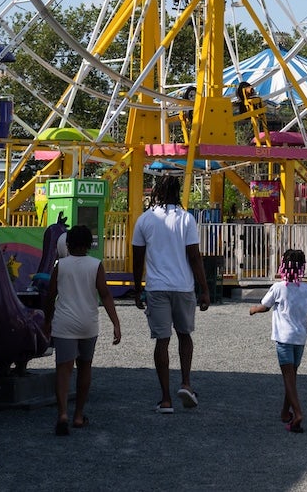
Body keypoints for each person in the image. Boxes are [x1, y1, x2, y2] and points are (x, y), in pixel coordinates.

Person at [131, 173, 210, 413]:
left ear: (156, 192)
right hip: (183, 286)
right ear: (178, 193)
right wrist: (204, 289)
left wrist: (137, 289)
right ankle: (186, 383)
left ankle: (165, 398)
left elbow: (137, 258)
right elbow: (194, 257)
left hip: (156, 287)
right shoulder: (186, 219)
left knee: (161, 341)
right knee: (185, 335)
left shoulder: (144, 220)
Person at [41, 225, 121, 436]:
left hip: (64, 322)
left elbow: (50, 296)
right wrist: (116, 323)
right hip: (88, 322)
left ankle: (63, 414)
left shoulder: (61, 265)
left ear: (67, 244)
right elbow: (105, 295)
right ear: (89, 244)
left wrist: (47, 321)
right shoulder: (96, 265)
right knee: (85, 367)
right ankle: (78, 415)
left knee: (63, 370)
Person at [248, 248, 307, 433]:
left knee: (288, 378)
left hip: (284, 338)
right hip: (300, 338)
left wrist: (253, 309)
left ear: (283, 266)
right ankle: (285, 412)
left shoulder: (278, 287)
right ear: (302, 267)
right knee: (292, 376)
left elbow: (265, 306)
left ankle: (298, 413)